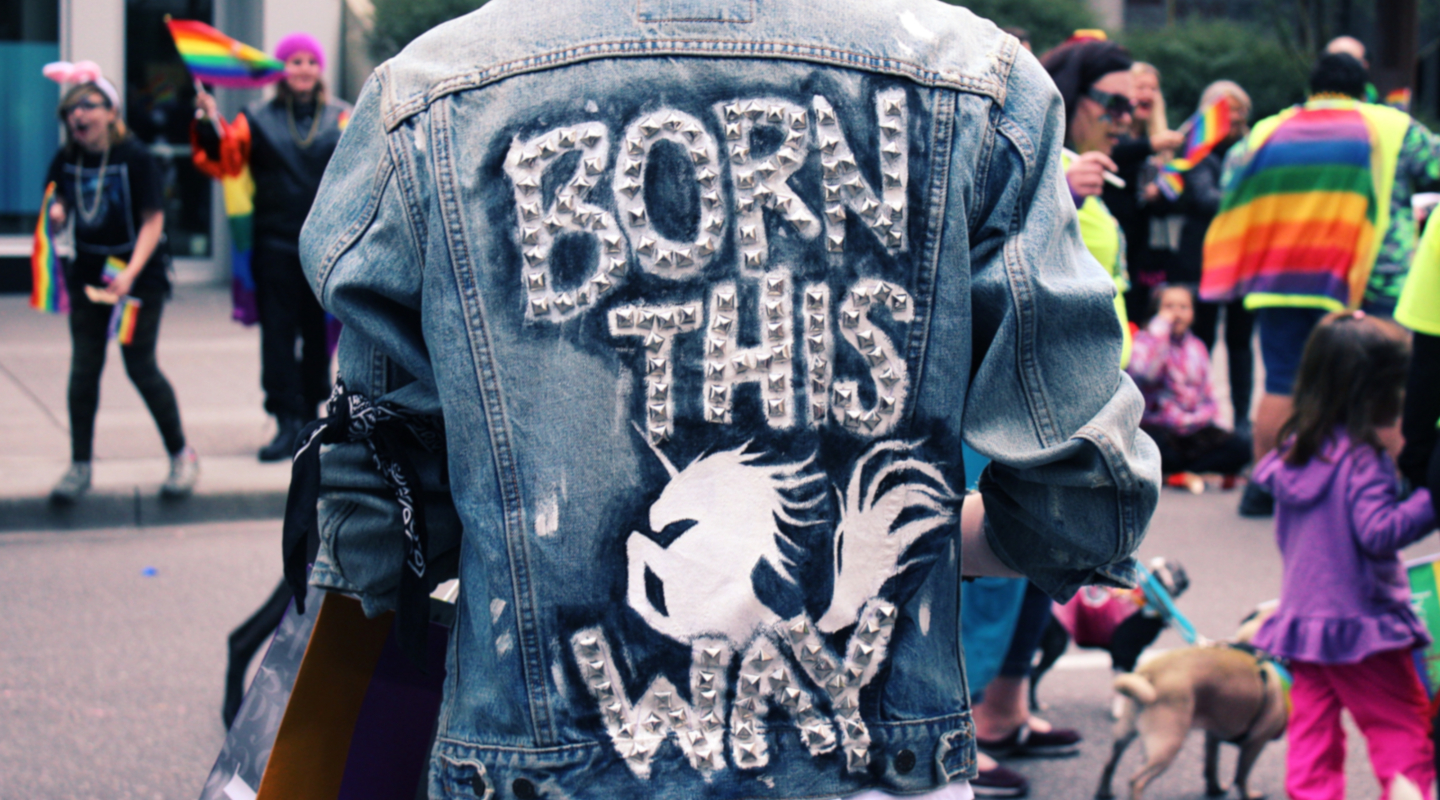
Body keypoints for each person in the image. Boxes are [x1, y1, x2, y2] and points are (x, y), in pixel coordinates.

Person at [293, 2, 1161, 798]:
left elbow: (382, 527)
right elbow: (1079, 504)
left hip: (542, 767)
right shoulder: (980, 83)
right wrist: (917, 549)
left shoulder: (430, 95)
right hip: (874, 769)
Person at [1202, 53, 1413, 517]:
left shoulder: (1268, 129)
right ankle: (1387, 489)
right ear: (1363, 89)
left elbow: (1234, 176)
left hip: (1280, 275)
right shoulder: (1391, 126)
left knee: (1281, 381)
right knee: (1381, 384)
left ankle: (1265, 486)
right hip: (1361, 276)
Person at [1250, 312, 1436, 800]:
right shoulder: (1362, 461)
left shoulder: (1296, 452)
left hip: (1304, 623)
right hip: (1364, 627)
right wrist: (1431, 500)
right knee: (1399, 725)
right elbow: (1379, 532)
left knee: (1312, 735)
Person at [41, 63, 198, 504]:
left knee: (139, 365)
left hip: (137, 279)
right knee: (84, 369)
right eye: (72, 109)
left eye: (88, 106)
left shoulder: (135, 157)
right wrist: (57, 215)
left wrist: (129, 273)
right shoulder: (67, 157)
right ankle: (79, 466)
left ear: (111, 111)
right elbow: (56, 209)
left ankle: (181, 455)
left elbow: (153, 221)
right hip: (89, 277)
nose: (78, 116)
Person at [192, 33, 350, 461]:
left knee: (319, 336)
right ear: (281, 69)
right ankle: (284, 420)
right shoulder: (255, 119)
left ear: (320, 69)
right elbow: (224, 159)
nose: (303, 68)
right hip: (275, 245)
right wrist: (208, 123)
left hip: (323, 249)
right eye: (294, 61)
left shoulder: (342, 118)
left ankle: (311, 417)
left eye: (310, 61)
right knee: (278, 337)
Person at [1146, 81, 1255, 432]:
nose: (1233, 116)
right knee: (1200, 339)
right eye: (1226, 109)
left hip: (1241, 259)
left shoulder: (1253, 149)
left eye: (1238, 109)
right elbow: (1207, 200)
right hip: (1202, 261)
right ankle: (1195, 418)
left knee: (1240, 343)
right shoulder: (1195, 153)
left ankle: (1240, 421)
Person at [1127, 284, 1250, 478]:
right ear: (1156, 311)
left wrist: (1215, 427)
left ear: (1192, 313)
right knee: (1153, 449)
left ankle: (1183, 471)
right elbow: (1145, 374)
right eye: (1169, 306)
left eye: (1183, 307)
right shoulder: (1144, 341)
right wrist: (1159, 332)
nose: (1177, 313)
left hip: (1194, 428)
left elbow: (1209, 394)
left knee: (1242, 447)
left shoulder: (1197, 347)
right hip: (1161, 427)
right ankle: (1178, 469)